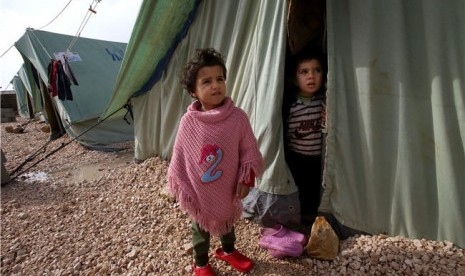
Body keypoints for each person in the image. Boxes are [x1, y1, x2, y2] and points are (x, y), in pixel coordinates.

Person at [167, 48, 263, 276]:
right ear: (193, 91)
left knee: (228, 221)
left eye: (219, 79)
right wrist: (183, 185)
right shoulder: (189, 122)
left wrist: (246, 177)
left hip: (228, 185)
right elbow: (181, 156)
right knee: (200, 227)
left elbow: (249, 149)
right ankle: (200, 263)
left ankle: (228, 250)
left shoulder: (237, 117)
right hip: (200, 190)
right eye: (206, 81)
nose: (215, 85)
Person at [282, 50, 327, 227]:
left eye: (317, 70)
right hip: (297, 157)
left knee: (316, 189)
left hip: (319, 158)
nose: (311, 76)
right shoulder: (290, 104)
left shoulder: (324, 101)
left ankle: (314, 217)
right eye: (304, 72)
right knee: (301, 189)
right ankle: (301, 218)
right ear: (294, 78)